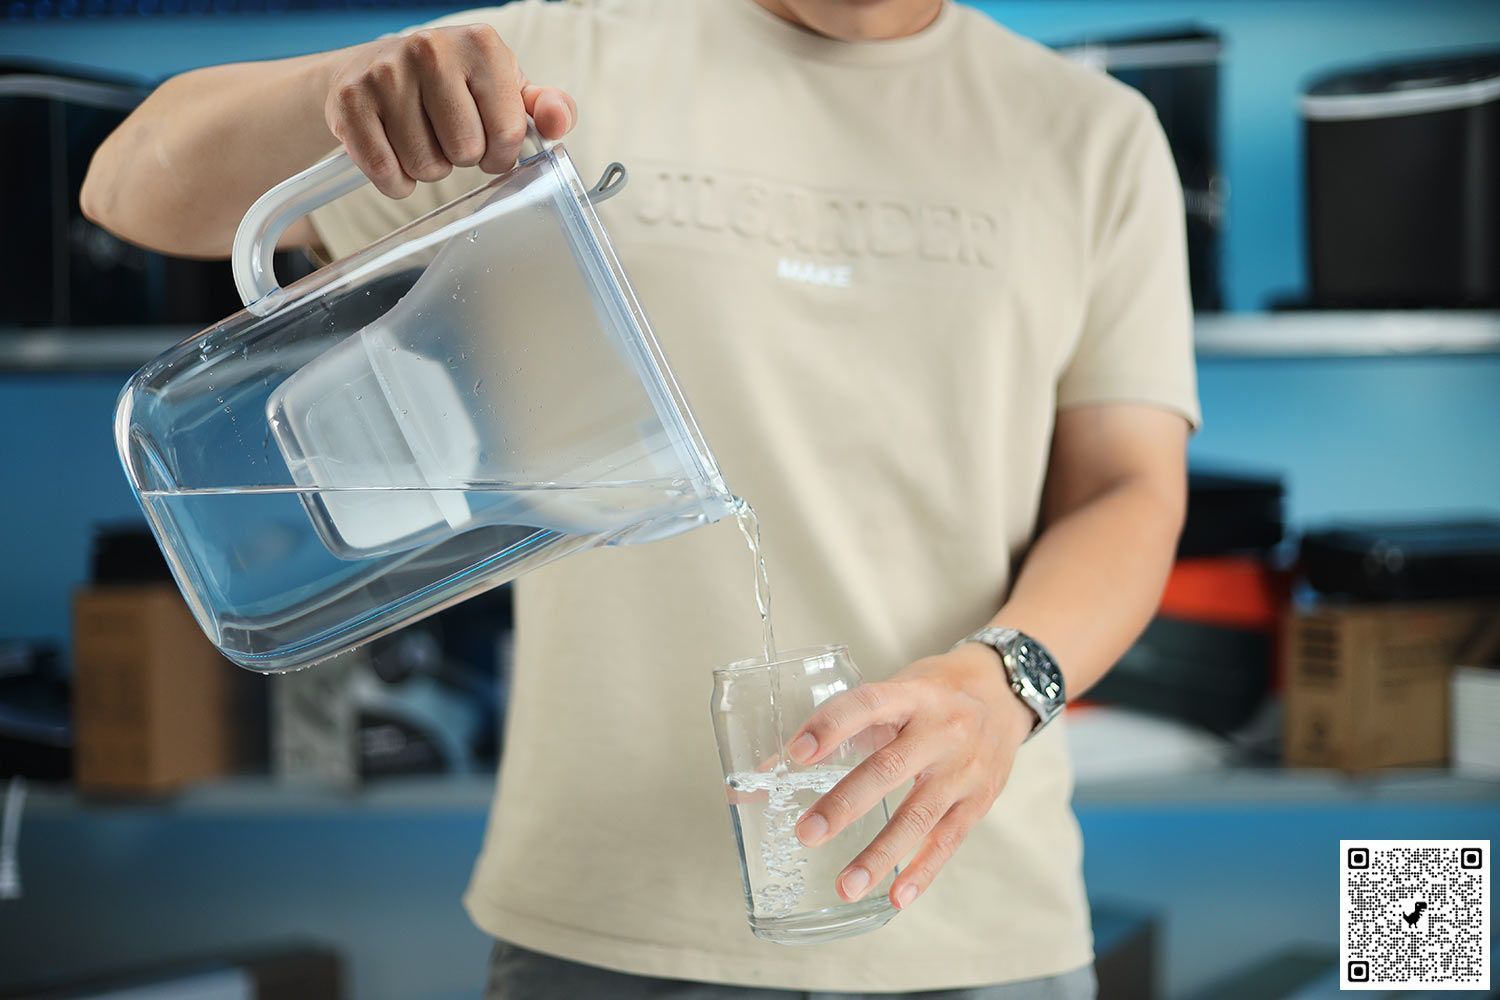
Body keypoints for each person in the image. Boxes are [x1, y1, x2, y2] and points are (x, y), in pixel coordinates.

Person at [82, 1, 1199, 996]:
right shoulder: (562, 61)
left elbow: (1128, 491)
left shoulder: (1093, 135)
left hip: (972, 920)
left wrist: (1004, 682)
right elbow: (128, 183)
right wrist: (355, 92)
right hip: (606, 929)